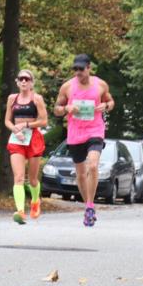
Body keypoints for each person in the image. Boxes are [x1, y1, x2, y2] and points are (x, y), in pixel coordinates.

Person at [52, 54, 114, 227]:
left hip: (95, 130)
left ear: (89, 68)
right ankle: (88, 203)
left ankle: (89, 207)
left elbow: (110, 101)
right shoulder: (67, 87)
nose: (78, 72)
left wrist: (106, 106)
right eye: (75, 69)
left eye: (81, 68)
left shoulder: (100, 84)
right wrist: (66, 108)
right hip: (75, 133)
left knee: (92, 165)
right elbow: (56, 109)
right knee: (80, 174)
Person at [5, 69, 48, 224]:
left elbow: (44, 121)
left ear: (32, 83)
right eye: (21, 79)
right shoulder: (12, 98)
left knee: (33, 179)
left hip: (33, 138)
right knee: (18, 177)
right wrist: (15, 129)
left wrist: (26, 125)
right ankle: (20, 211)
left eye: (27, 79)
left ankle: (35, 201)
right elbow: (7, 121)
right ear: (17, 82)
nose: (24, 81)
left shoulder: (37, 99)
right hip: (17, 139)